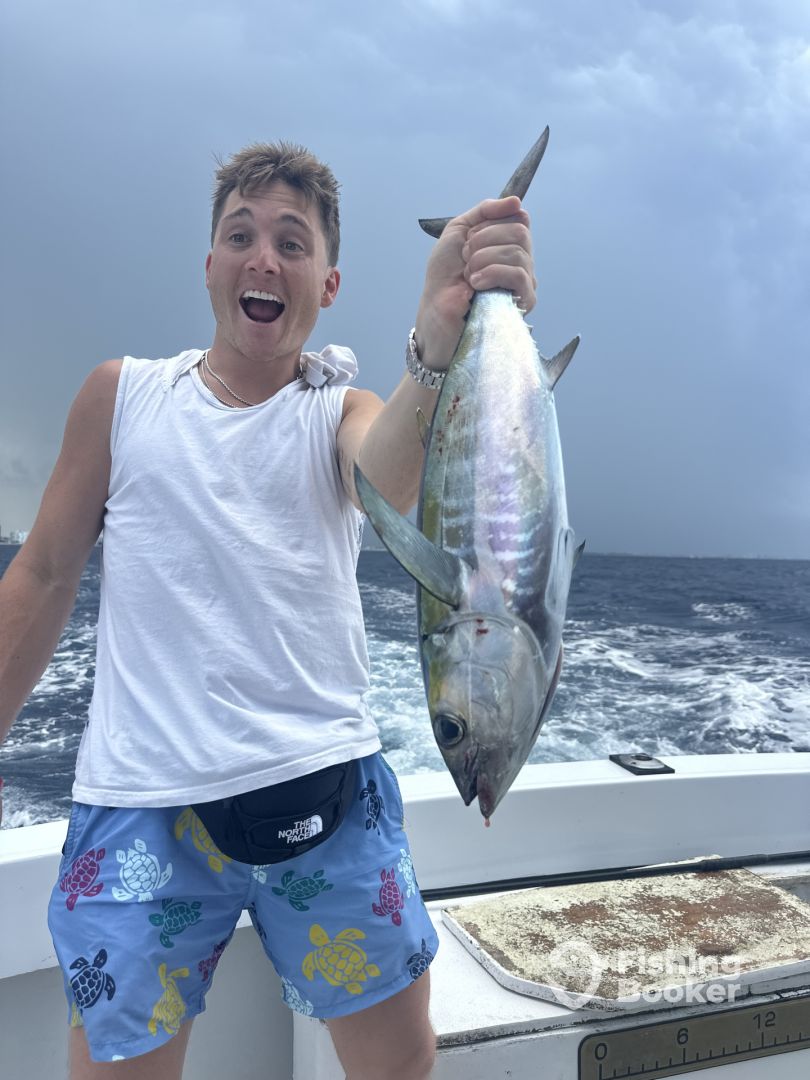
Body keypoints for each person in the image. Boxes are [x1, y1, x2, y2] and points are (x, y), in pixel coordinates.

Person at [0, 141, 536, 1079]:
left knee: (398, 1066)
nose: (264, 258)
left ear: (327, 285)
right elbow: (42, 576)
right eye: (241, 235)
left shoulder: (340, 410)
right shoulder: (121, 398)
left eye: (293, 243)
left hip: (328, 792)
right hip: (143, 807)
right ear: (209, 263)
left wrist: (437, 335)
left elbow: (388, 482)